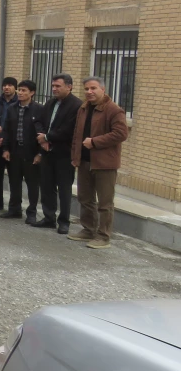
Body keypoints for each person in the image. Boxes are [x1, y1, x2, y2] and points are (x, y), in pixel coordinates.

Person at [68, 76, 129, 249]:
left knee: (105, 202)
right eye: (86, 89)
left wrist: (94, 142)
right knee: (85, 198)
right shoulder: (84, 108)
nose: (89, 92)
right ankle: (88, 230)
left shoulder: (114, 110)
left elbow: (121, 134)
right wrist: (75, 156)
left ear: (103, 89)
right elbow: (77, 135)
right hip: (85, 161)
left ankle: (103, 236)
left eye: (93, 88)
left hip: (105, 164)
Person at [34, 74, 82, 233]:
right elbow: (38, 121)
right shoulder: (50, 103)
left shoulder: (76, 106)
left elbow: (69, 129)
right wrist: (42, 137)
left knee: (64, 188)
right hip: (47, 152)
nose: (54, 89)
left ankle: (64, 221)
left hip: (64, 153)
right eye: (53, 86)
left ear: (69, 86)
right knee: (47, 186)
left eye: (58, 86)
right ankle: (49, 218)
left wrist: (47, 137)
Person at [1, 80, 45, 223]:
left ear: (32, 93)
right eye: (19, 90)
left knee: (32, 183)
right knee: (14, 181)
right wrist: (6, 149)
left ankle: (31, 212)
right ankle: (14, 209)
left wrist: (40, 153)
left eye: (24, 90)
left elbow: (42, 132)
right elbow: (6, 130)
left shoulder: (39, 110)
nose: (20, 93)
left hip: (31, 152)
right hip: (14, 150)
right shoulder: (12, 108)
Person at [0, 77, 19, 212]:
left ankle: (14, 206)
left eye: (10, 85)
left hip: (12, 145)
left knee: (14, 177)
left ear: (15, 88)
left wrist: (5, 133)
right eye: (5, 85)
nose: (7, 88)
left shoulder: (19, 102)